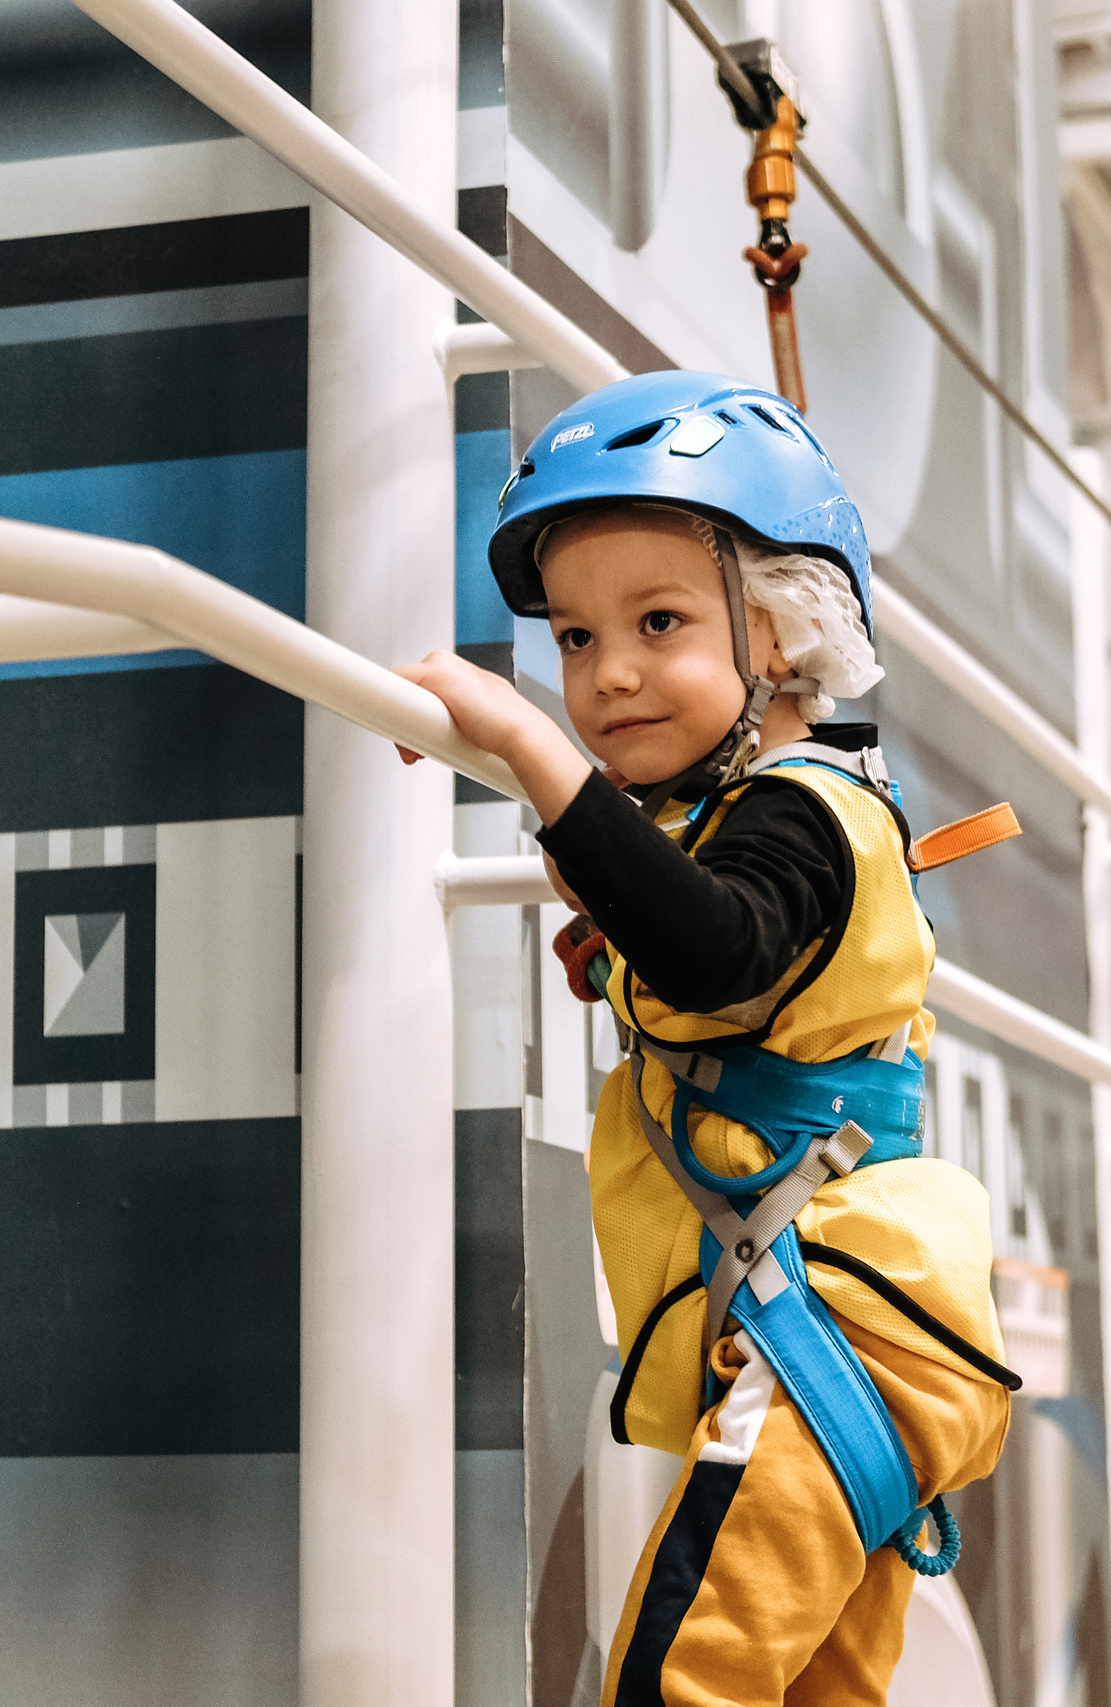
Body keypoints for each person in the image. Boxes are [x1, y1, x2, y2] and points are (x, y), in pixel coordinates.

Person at [398, 371, 1018, 1707]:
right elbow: (687, 935)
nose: (605, 672)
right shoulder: (768, 820)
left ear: (784, 638)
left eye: (658, 621)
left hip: (831, 1351)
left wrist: (522, 747)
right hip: (847, 1343)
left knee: (687, 1676)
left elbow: (717, 949)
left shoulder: (803, 818)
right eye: (569, 641)